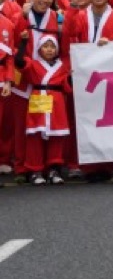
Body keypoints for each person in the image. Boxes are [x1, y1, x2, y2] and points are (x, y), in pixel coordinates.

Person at [14, 30, 70, 185]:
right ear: (39, 49)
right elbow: (18, 62)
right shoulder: (33, 64)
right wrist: (24, 43)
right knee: (35, 136)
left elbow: (67, 86)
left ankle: (54, 168)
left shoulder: (62, 67)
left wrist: (72, 77)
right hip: (38, 99)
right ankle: (35, 169)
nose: (50, 49)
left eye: (53, 46)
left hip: (56, 103)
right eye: (46, 46)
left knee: (56, 136)